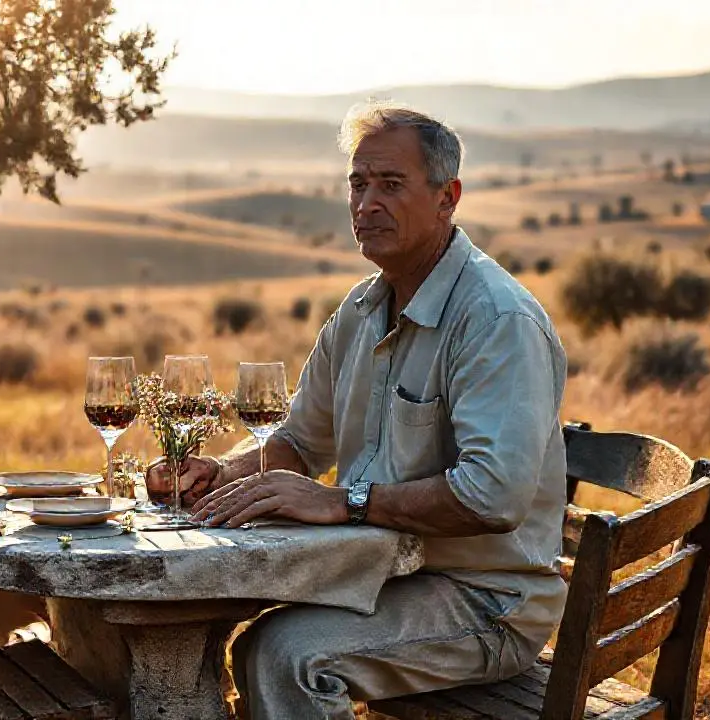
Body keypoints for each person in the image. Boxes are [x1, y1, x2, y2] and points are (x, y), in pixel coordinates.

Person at [146, 101, 569, 719]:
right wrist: (220, 473)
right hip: (383, 576)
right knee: (238, 638)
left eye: (391, 185)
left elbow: (493, 496)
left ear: (447, 198)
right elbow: (297, 441)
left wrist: (345, 501)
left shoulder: (495, 319)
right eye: (358, 183)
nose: (367, 203)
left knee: (284, 653)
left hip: (487, 603)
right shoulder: (361, 310)